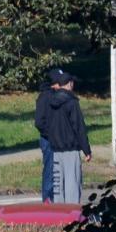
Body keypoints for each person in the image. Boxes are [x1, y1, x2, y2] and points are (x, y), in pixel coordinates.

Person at [48, 72, 91, 204]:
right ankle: (72, 216)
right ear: (69, 84)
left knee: (57, 185)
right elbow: (79, 127)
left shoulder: (50, 102)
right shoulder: (72, 102)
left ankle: (58, 216)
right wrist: (86, 149)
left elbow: (45, 123)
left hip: (55, 149)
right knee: (72, 182)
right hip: (70, 148)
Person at [34, 68, 63, 202]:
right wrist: (52, 135)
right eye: (60, 82)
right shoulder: (45, 97)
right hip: (49, 139)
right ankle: (48, 199)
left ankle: (56, 198)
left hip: (57, 139)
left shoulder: (57, 95)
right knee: (50, 170)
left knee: (57, 170)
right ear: (54, 83)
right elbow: (39, 122)